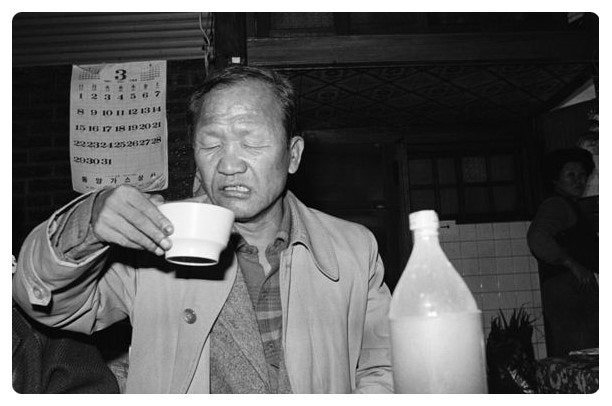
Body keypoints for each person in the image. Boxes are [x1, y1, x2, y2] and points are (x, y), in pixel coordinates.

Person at [12, 65, 394, 393]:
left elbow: (383, 367)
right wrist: (87, 224)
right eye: (210, 144)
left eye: (251, 142)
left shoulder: (354, 249)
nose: (229, 165)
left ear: (292, 155)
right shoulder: (153, 242)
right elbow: (48, 305)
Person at [527, 147, 598, 357]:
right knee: (583, 354)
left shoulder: (568, 206)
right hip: (569, 290)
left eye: (582, 175)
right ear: (555, 179)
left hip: (573, 289)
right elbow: (537, 238)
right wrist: (572, 264)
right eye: (571, 175)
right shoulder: (556, 205)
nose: (579, 181)